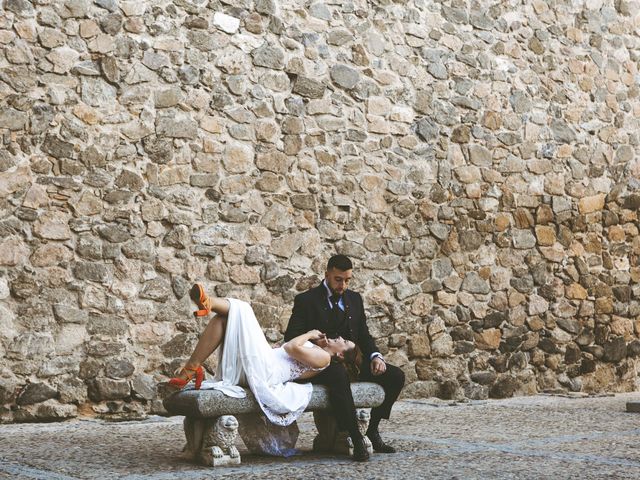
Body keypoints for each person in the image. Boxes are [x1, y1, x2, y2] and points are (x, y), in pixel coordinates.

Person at [169, 284, 356, 432]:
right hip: (264, 362)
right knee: (223, 320)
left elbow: (290, 347)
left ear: (340, 354)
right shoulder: (319, 350)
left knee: (244, 309)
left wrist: (309, 334)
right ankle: (192, 368)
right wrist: (314, 341)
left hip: (266, 371)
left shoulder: (325, 359)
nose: (340, 337)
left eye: (345, 341)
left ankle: (208, 302)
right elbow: (286, 351)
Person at [285, 254, 405, 462]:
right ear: (327, 275)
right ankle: (356, 437)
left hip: (353, 361)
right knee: (338, 376)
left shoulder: (355, 299)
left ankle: (372, 431)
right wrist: (318, 346)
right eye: (338, 279)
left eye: (347, 280)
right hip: (321, 363)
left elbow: (364, 335)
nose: (343, 285)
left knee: (395, 376)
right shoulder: (306, 300)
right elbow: (291, 337)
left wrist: (376, 356)